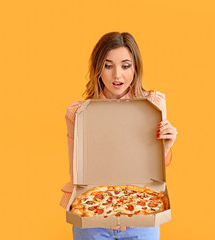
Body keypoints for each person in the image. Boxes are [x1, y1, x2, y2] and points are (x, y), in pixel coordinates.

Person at [59, 32, 178, 240]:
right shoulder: (78, 113)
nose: (117, 75)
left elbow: (155, 173)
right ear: (97, 69)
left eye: (125, 65)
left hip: (143, 216)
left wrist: (166, 146)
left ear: (136, 68)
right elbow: (78, 172)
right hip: (92, 219)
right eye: (108, 65)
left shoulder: (153, 105)